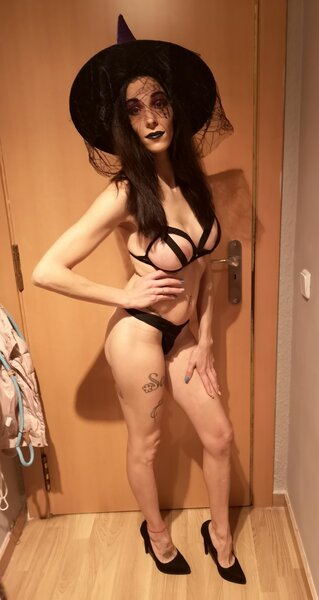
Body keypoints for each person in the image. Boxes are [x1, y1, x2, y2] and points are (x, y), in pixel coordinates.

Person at [32, 15, 246, 585]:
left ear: (174, 108)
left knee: (220, 437)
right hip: (138, 337)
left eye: (158, 102)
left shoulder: (195, 186)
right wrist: (121, 291)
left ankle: (221, 536)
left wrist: (204, 337)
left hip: (185, 337)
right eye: (134, 108)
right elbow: (47, 270)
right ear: (124, 124)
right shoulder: (125, 193)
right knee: (147, 445)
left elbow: (203, 268)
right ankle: (156, 535)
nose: (150, 117)